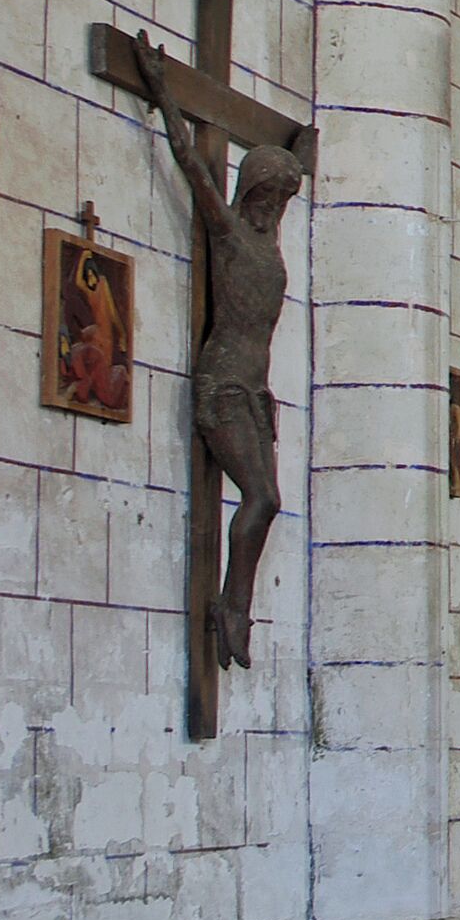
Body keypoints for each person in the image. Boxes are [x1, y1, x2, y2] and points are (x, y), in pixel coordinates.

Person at [153, 83, 300, 669]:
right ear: (252, 190)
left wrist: (300, 150)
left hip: (256, 391)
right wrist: (164, 91)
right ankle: (233, 608)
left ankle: (236, 605)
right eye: (272, 196)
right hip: (223, 381)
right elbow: (190, 160)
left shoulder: (270, 246)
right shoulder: (230, 231)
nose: (277, 209)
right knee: (262, 498)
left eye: (286, 200)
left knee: (269, 502)